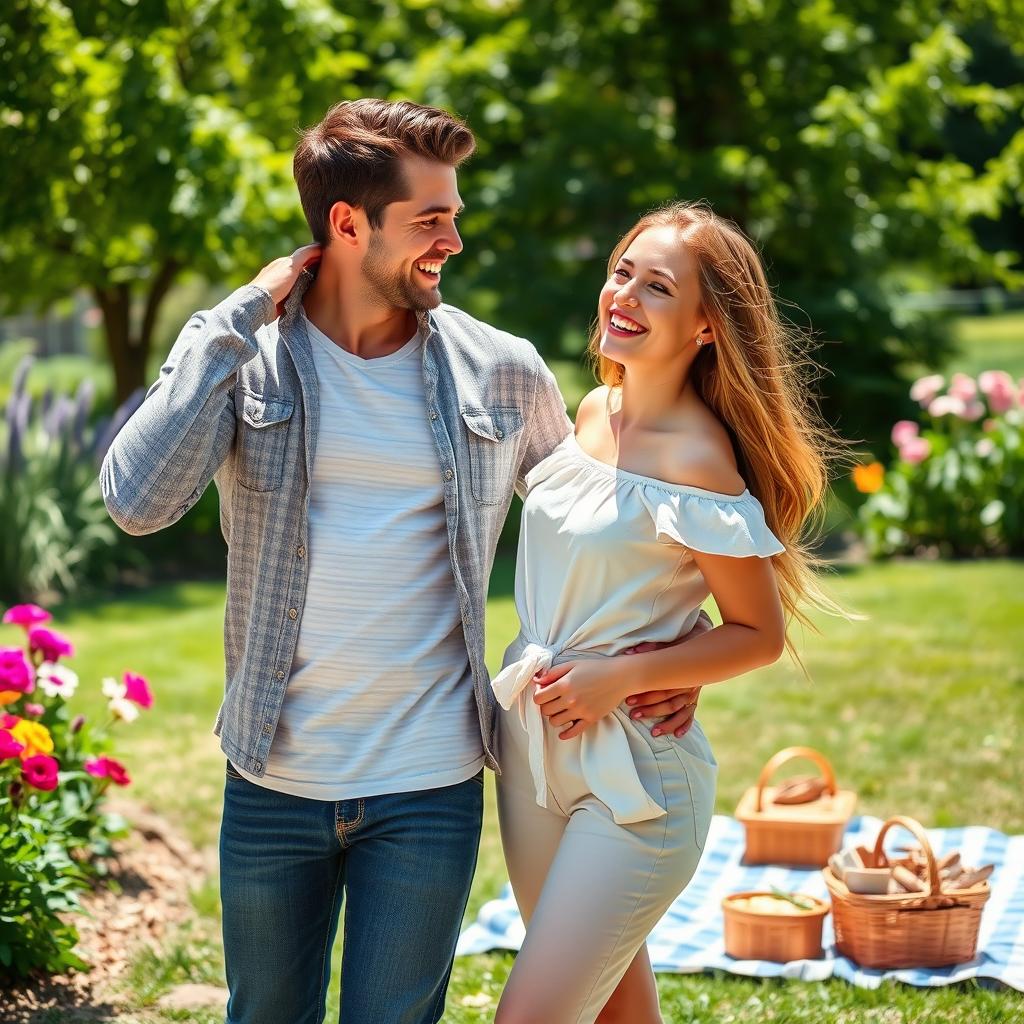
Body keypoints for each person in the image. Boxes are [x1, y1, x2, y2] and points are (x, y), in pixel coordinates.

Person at [99, 99, 705, 1024]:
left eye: (454, 215)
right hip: (273, 779)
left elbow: (601, 520)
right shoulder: (247, 361)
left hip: (429, 782)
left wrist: (676, 642)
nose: (454, 241)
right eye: (431, 220)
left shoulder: (501, 370)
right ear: (348, 225)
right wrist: (232, 320)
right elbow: (136, 502)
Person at [490, 201, 840, 1024]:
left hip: (638, 782)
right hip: (534, 753)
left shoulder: (696, 457)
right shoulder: (588, 414)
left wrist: (628, 674)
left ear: (707, 326)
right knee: (616, 1015)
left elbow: (759, 632)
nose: (625, 296)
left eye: (657, 287)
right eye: (622, 272)